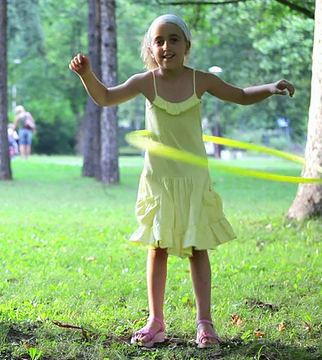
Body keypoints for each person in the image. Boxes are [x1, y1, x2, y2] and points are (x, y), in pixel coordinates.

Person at [69, 14, 294, 348]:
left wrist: (270, 89)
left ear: (186, 46)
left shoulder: (199, 81)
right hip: (160, 181)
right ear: (150, 47)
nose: (166, 46)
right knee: (157, 248)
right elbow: (105, 97)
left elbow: (241, 95)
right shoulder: (146, 81)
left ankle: (205, 324)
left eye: (174, 39)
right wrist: (87, 74)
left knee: (197, 248)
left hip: (193, 180)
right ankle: (155, 321)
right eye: (159, 40)